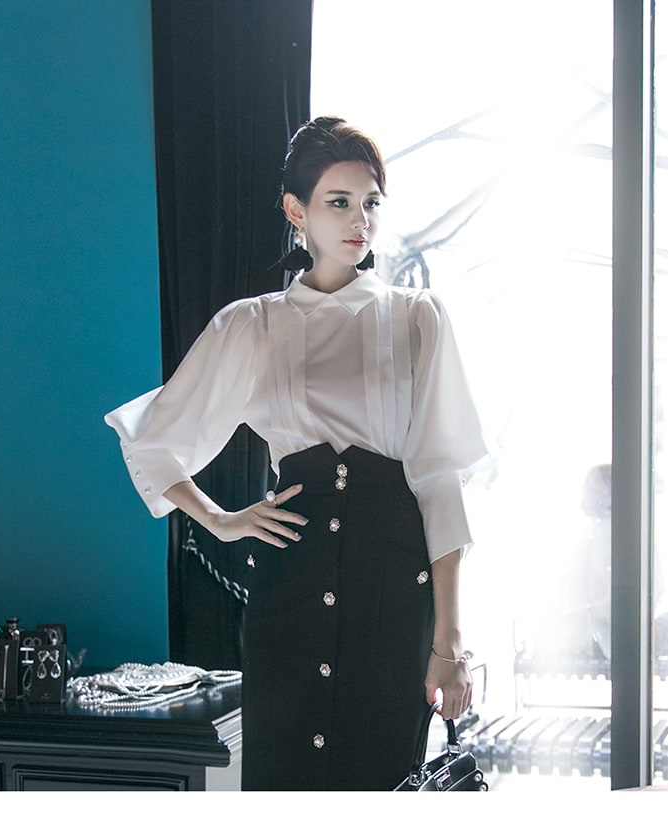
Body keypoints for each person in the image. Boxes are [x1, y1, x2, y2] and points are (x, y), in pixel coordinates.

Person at [105, 116, 487, 790]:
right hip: (291, 588)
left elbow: (438, 482)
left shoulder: (416, 318)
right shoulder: (252, 326)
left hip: (393, 592)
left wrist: (448, 640)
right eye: (339, 202)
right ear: (295, 211)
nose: (360, 221)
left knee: (384, 780)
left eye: (370, 203)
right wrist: (220, 519)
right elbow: (155, 437)